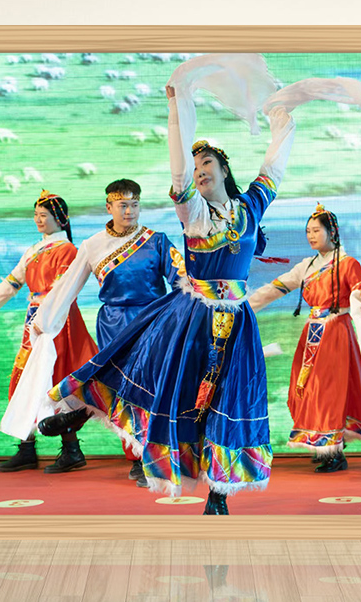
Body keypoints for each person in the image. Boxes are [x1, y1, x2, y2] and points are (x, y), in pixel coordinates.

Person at [46, 85, 296, 514]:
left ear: (224, 170)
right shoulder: (193, 212)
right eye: (195, 166)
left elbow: (274, 166)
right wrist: (177, 109)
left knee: (230, 399)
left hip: (237, 321)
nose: (199, 171)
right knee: (155, 374)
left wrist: (282, 119)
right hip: (192, 316)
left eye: (207, 163)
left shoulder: (251, 207)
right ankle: (84, 407)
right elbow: (178, 173)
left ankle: (218, 495)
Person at [29, 179, 186, 488]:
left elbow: (182, 281)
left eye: (135, 205)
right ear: (109, 207)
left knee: (150, 388)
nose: (130, 211)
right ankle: (135, 456)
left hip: (152, 322)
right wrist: (44, 320)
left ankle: (142, 450)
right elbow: (67, 287)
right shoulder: (92, 245)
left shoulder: (157, 241)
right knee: (122, 388)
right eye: (123, 205)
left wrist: (188, 315)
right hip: (114, 323)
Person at [247, 204, 361, 472]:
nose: (311, 236)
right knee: (305, 389)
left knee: (328, 391)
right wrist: (244, 308)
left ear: (332, 232)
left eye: (316, 230)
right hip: (312, 333)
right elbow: (276, 288)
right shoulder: (307, 266)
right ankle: (323, 442)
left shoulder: (348, 264)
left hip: (336, 332)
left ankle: (334, 450)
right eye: (308, 231)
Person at [0, 190, 98, 473]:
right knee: (24, 378)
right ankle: (27, 446)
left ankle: (71, 449)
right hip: (34, 321)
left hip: (57, 322)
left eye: (44, 215)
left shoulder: (68, 251)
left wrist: (46, 319)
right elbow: (11, 285)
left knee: (56, 379)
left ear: (60, 219)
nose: (38, 220)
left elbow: (63, 291)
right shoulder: (33, 251)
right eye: (36, 215)